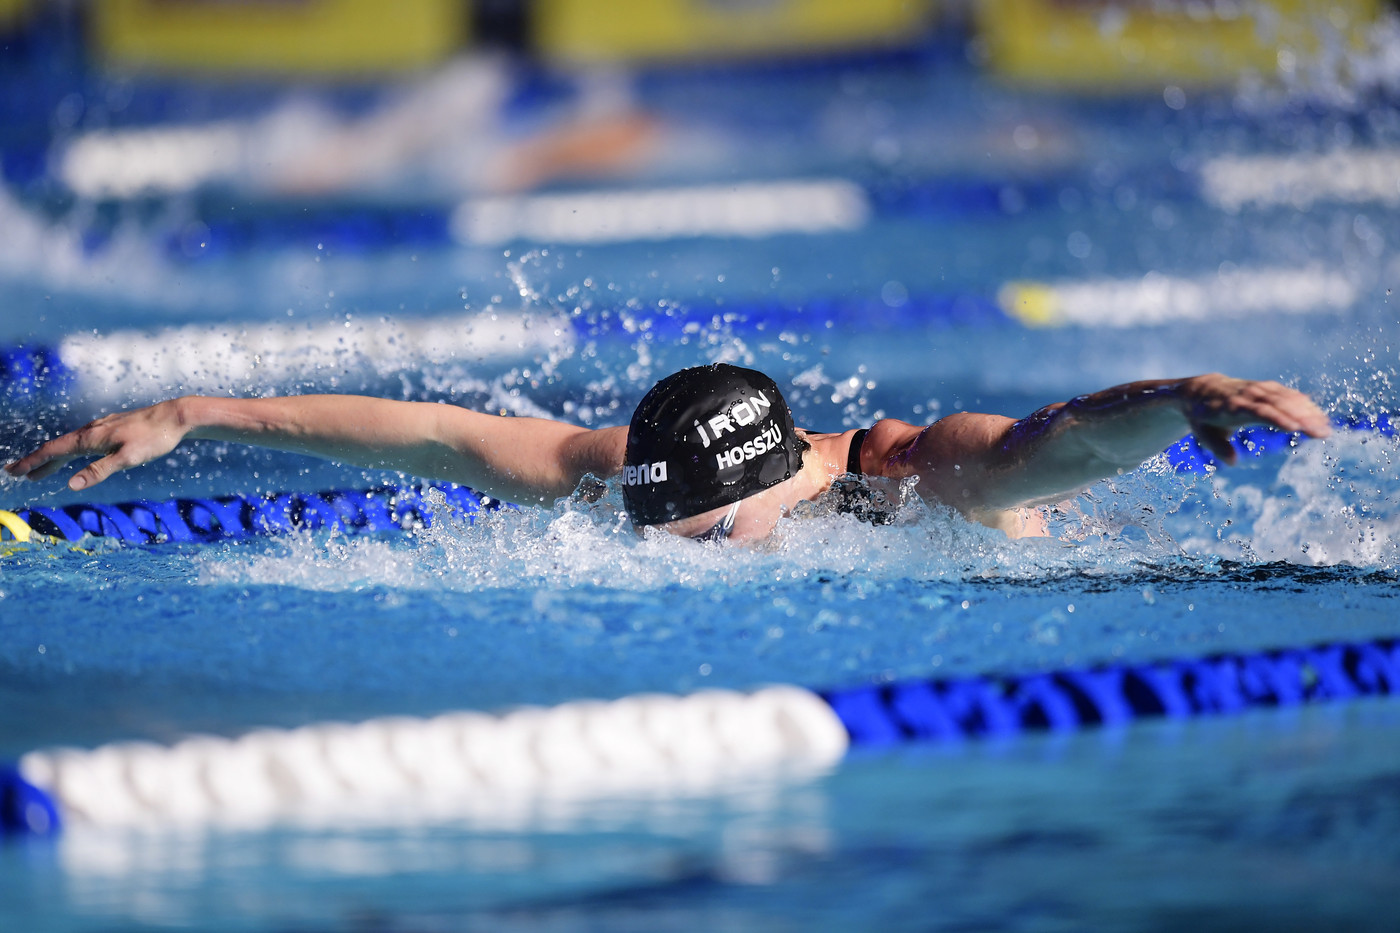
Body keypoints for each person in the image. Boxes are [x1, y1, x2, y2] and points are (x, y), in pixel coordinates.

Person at [4, 364, 1330, 544]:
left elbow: (1050, 443)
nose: (669, 564)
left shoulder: (920, 476)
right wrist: (195, 414)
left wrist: (1181, 399)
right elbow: (442, 432)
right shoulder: (639, 467)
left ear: (767, 486)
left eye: (695, 543)